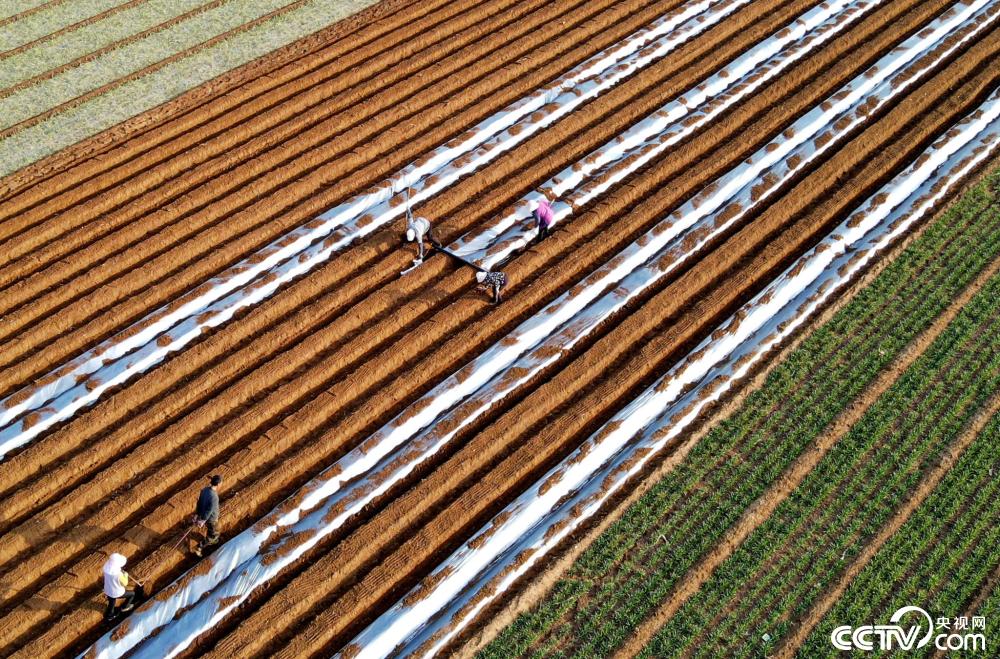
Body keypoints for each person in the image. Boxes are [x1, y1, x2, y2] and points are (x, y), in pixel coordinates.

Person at [102, 553, 144, 621]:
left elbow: (112, 574)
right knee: (132, 594)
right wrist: (125, 575)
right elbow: (125, 583)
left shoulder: (106, 569)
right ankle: (125, 607)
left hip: (107, 589)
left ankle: (110, 615)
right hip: (117, 592)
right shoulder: (119, 575)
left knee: (112, 601)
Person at [193, 474, 222, 557]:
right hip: (211, 519)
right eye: (221, 483)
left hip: (204, 516)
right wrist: (203, 520)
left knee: (211, 530)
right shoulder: (214, 497)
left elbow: (199, 503)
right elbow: (210, 510)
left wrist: (197, 514)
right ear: (218, 484)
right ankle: (199, 547)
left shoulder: (204, 490)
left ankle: (212, 540)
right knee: (215, 535)